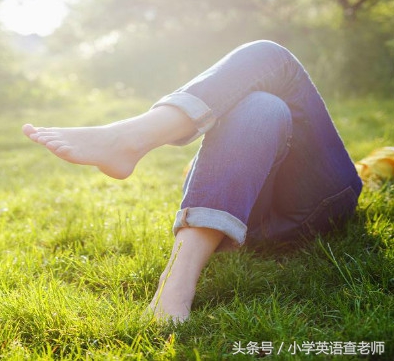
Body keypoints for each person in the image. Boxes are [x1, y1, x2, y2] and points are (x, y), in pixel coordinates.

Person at [21, 40, 362, 323]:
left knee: (273, 58)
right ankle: (174, 286)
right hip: (245, 218)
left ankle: (130, 138)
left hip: (319, 203)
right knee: (262, 106)